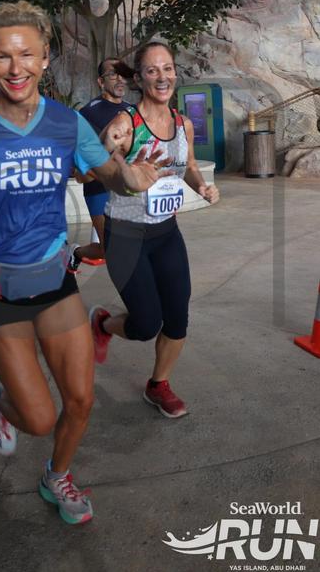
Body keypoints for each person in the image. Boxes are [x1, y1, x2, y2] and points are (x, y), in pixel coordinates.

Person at [0, 1, 171, 524]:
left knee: (80, 401)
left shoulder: (65, 123)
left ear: (45, 57)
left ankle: (57, 476)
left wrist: (131, 178)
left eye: (27, 54)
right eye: (3, 56)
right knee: (36, 418)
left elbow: (108, 174)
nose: (16, 68)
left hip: (54, 280)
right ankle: (1, 400)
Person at [90, 37, 219, 419]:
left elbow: (189, 165)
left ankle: (158, 384)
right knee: (146, 324)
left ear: (175, 74)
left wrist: (202, 186)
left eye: (167, 69)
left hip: (166, 233)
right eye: (152, 70)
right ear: (140, 78)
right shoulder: (125, 123)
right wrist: (118, 160)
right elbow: (93, 165)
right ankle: (103, 324)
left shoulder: (182, 124)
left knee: (177, 317)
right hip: (125, 235)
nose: (162, 77)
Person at [70, 59, 133, 269]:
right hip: (99, 190)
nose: (120, 79)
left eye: (123, 74)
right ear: (100, 81)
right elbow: (80, 165)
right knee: (109, 250)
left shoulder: (132, 111)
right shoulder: (88, 113)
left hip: (130, 189)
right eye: (113, 74)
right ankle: (75, 253)